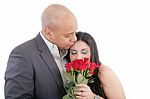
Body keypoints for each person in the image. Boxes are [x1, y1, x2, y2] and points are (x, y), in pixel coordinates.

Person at [4, 4, 77, 99]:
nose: (74, 39)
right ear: (48, 33)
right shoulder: (23, 54)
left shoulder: (74, 49)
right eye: (68, 36)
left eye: (75, 32)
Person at [66, 31, 126, 99]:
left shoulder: (104, 72)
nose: (78, 57)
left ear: (92, 53)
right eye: (74, 52)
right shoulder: (72, 74)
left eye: (84, 52)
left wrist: (93, 97)